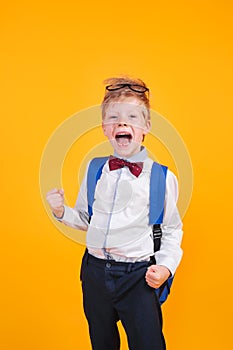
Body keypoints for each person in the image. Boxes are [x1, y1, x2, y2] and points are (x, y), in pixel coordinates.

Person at [46, 76, 183, 350]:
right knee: (102, 342)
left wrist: (166, 267)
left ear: (146, 127)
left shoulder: (161, 177)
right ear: (105, 128)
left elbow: (171, 229)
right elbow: (86, 219)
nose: (123, 123)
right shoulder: (94, 169)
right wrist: (61, 211)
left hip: (138, 276)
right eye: (114, 117)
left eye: (132, 116)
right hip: (95, 272)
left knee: (148, 344)